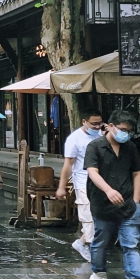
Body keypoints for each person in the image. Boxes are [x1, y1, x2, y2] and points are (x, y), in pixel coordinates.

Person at [84, 110, 140, 279]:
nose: (125, 134)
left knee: (131, 244)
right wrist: (108, 191)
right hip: (102, 204)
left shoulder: (130, 147)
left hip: (128, 204)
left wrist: (136, 199)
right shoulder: (95, 146)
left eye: (129, 131)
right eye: (122, 129)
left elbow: (138, 172)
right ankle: (99, 273)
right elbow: (92, 172)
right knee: (102, 241)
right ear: (110, 126)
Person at [56, 107, 104, 262]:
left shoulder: (103, 134)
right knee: (88, 217)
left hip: (102, 182)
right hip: (83, 182)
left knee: (100, 218)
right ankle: (91, 250)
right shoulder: (74, 139)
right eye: (93, 124)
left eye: (99, 123)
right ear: (84, 122)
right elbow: (68, 164)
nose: (97, 127)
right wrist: (61, 187)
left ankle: (82, 242)